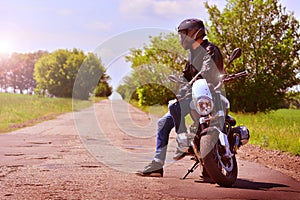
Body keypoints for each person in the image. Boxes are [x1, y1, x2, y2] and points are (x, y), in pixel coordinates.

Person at [136, 18, 224, 177]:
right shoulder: (192, 55)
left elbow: (208, 70)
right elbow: (185, 77)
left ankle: (185, 142)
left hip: (208, 97)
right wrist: (180, 86)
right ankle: (157, 164)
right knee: (163, 122)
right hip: (192, 97)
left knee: (175, 107)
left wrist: (192, 82)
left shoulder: (210, 49)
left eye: (184, 34)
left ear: (195, 33)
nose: (182, 38)